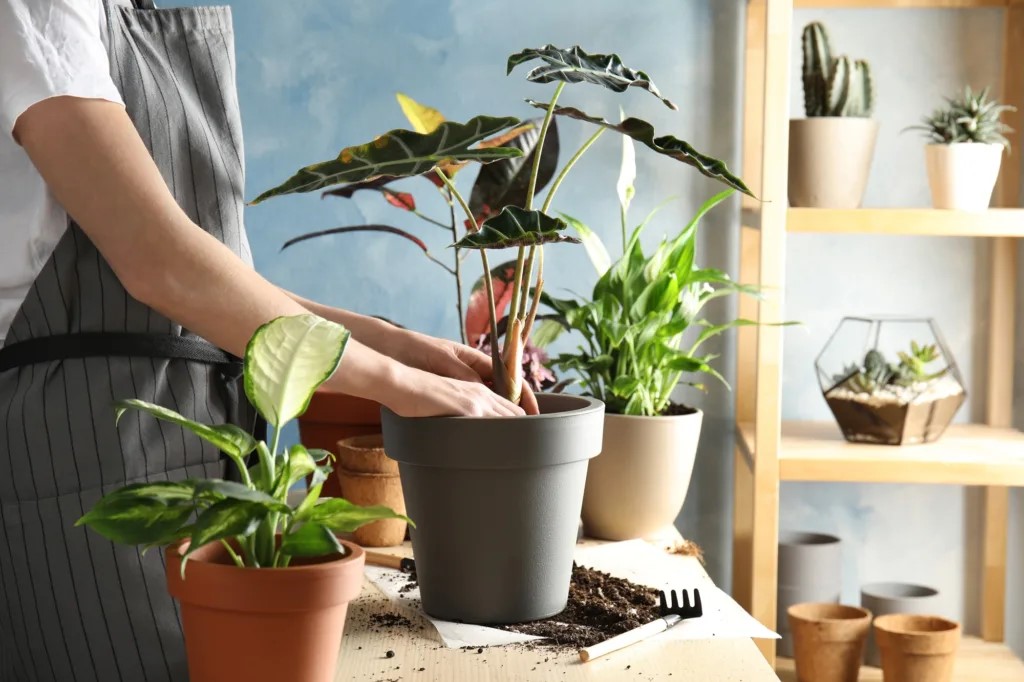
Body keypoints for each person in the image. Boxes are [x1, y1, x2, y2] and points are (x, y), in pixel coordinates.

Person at [0, 1, 537, 680]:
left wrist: (399, 348)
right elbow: (160, 262)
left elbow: (220, 283)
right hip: (86, 450)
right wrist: (399, 385)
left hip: (190, 448)